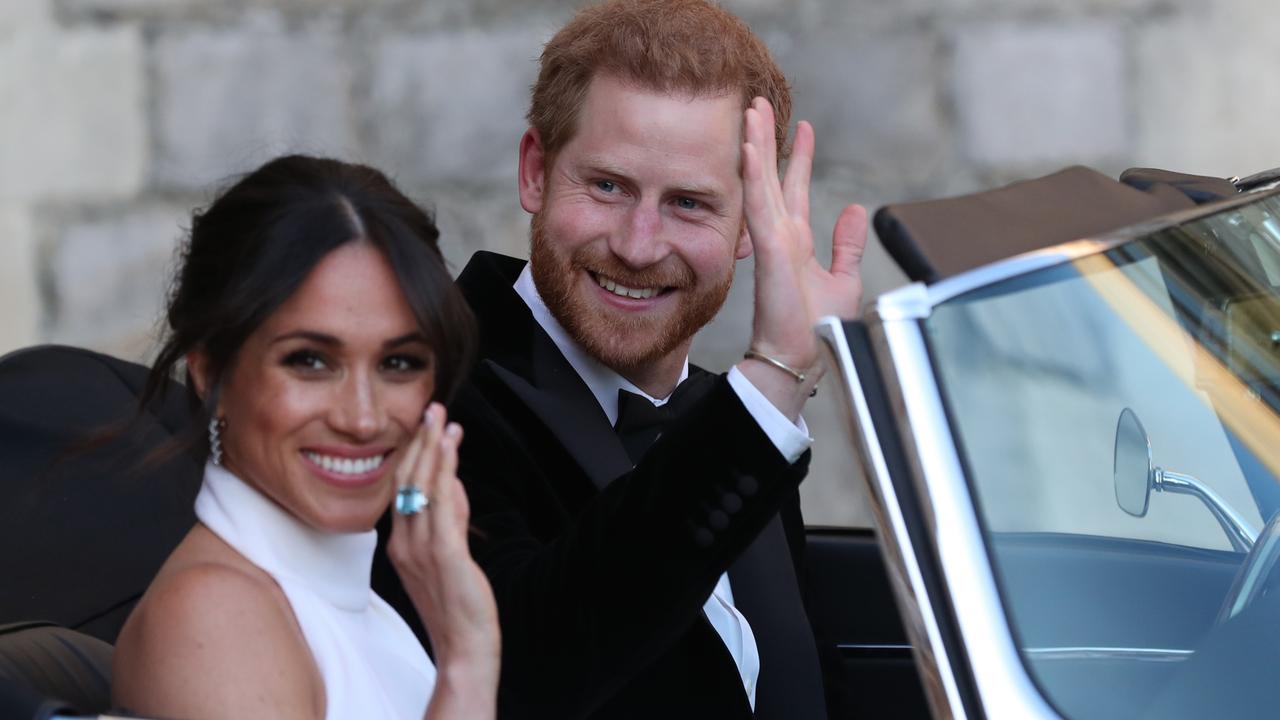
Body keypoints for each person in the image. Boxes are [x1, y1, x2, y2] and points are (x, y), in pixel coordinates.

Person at [371, 1, 868, 717]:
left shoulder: (734, 423)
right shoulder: (423, 391)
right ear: (536, 171)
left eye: (690, 203)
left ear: (747, 228)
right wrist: (774, 377)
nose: (638, 244)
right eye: (607, 186)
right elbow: (519, 669)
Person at [110, 155, 501, 720]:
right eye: (311, 361)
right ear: (210, 370)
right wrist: (467, 665)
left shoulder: (357, 604)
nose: (363, 418)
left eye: (399, 362)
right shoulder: (216, 618)